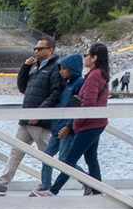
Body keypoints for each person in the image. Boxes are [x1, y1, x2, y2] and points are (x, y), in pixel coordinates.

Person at [0, 36, 62, 195]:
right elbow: (23, 88)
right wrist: (25, 68)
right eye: (35, 48)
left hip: (40, 121)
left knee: (47, 156)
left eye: (40, 49)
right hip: (26, 119)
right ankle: (2, 183)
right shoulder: (36, 67)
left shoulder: (55, 68)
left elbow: (56, 93)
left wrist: (39, 112)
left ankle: (62, 183)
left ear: (50, 50)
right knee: (16, 151)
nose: (36, 51)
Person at [46, 43, 109, 196]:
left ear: (94, 58)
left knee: (70, 158)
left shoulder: (94, 75)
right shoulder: (101, 74)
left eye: (86, 55)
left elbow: (89, 102)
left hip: (89, 124)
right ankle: (97, 190)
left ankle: (53, 190)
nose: (84, 58)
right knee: (91, 159)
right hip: (96, 122)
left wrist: (76, 122)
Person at [35, 52, 81, 195]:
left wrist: (68, 125)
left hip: (67, 128)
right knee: (47, 155)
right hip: (57, 125)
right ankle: (45, 185)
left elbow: (77, 107)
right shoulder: (65, 83)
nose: (61, 72)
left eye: (64, 69)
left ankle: (88, 182)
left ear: (72, 69)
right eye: (60, 69)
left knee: (64, 160)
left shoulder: (79, 82)